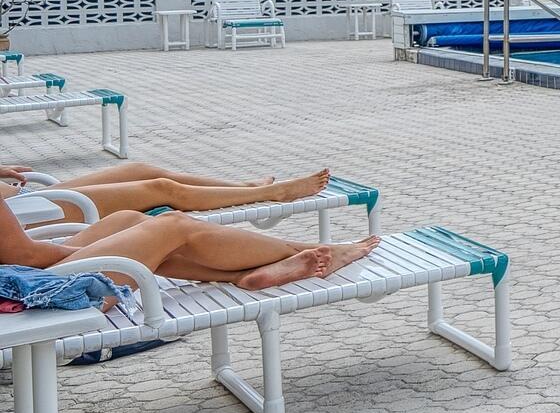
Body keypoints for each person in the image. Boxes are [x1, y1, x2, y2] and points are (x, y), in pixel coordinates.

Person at [0, 175, 377, 294]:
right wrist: (106, 250)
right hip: (30, 293)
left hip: (17, 280)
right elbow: (26, 259)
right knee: (171, 225)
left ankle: (243, 274)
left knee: (131, 220)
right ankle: (323, 251)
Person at [1, 160, 334, 218]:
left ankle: (241, 186)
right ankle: (268, 193)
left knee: (141, 170)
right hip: (25, 215)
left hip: (25, 200)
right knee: (161, 188)